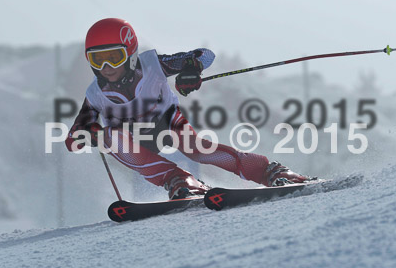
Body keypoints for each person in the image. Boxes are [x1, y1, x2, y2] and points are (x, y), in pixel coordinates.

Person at [65, 18, 309, 199]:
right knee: (109, 138)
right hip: (134, 140)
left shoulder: (154, 66)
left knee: (195, 148)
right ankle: (179, 180)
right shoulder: (95, 94)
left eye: (113, 57)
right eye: (97, 59)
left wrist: (192, 70)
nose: (106, 67)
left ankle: (270, 172)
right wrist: (84, 134)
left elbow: (205, 55)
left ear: (129, 53)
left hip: (167, 122)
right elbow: (75, 135)